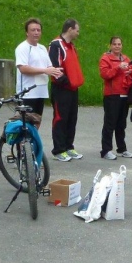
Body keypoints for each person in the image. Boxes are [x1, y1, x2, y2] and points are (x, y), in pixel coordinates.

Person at [48, 18, 84, 162]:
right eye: (77, 30)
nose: (78, 33)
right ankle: (59, 149)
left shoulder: (72, 46)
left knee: (72, 118)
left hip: (73, 89)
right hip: (61, 89)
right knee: (60, 118)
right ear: (70, 29)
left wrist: (75, 83)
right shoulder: (56, 45)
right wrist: (67, 82)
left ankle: (69, 146)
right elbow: (55, 68)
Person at [15, 18, 64, 116]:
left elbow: (49, 67)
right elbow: (23, 68)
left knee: (37, 120)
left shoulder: (42, 48)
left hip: (41, 92)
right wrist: (45, 70)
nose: (36, 33)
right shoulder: (22, 48)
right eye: (33, 30)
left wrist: (55, 71)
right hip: (27, 94)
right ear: (27, 33)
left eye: (38, 30)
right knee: (26, 122)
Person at [99, 36, 132, 160]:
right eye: (114, 44)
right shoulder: (105, 58)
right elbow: (105, 74)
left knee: (121, 124)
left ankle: (122, 149)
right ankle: (106, 150)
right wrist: (118, 67)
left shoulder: (126, 58)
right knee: (110, 123)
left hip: (124, 94)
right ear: (110, 46)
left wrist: (131, 72)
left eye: (119, 44)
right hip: (112, 95)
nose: (117, 46)